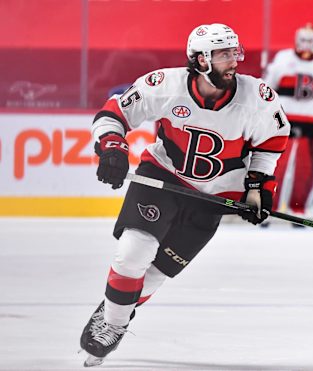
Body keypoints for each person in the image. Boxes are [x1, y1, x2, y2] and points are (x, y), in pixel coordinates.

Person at [79, 23, 290, 367]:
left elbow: (272, 142)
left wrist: (258, 186)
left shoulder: (257, 97)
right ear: (200, 59)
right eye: (223, 54)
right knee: (134, 251)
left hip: (215, 195)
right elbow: (113, 113)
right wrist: (113, 147)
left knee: (159, 271)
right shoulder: (165, 85)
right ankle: (113, 324)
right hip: (162, 177)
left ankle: (114, 306)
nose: (234, 60)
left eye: (234, 52)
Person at [263, 23, 313, 224]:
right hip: (281, 123)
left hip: (310, 125)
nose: (307, 45)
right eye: (304, 40)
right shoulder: (283, 60)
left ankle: (298, 209)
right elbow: (266, 89)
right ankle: (269, 207)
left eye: (311, 41)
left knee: (305, 171)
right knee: (276, 167)